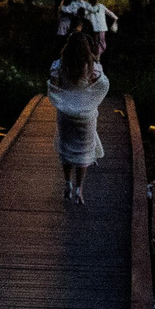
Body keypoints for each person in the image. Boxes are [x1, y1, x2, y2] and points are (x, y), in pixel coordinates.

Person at [47, 28, 111, 205]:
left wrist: (64, 100)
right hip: (86, 116)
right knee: (83, 152)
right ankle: (78, 190)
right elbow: (102, 84)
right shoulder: (94, 67)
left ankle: (67, 182)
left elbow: (55, 86)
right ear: (86, 47)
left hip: (66, 114)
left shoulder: (58, 65)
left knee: (67, 148)